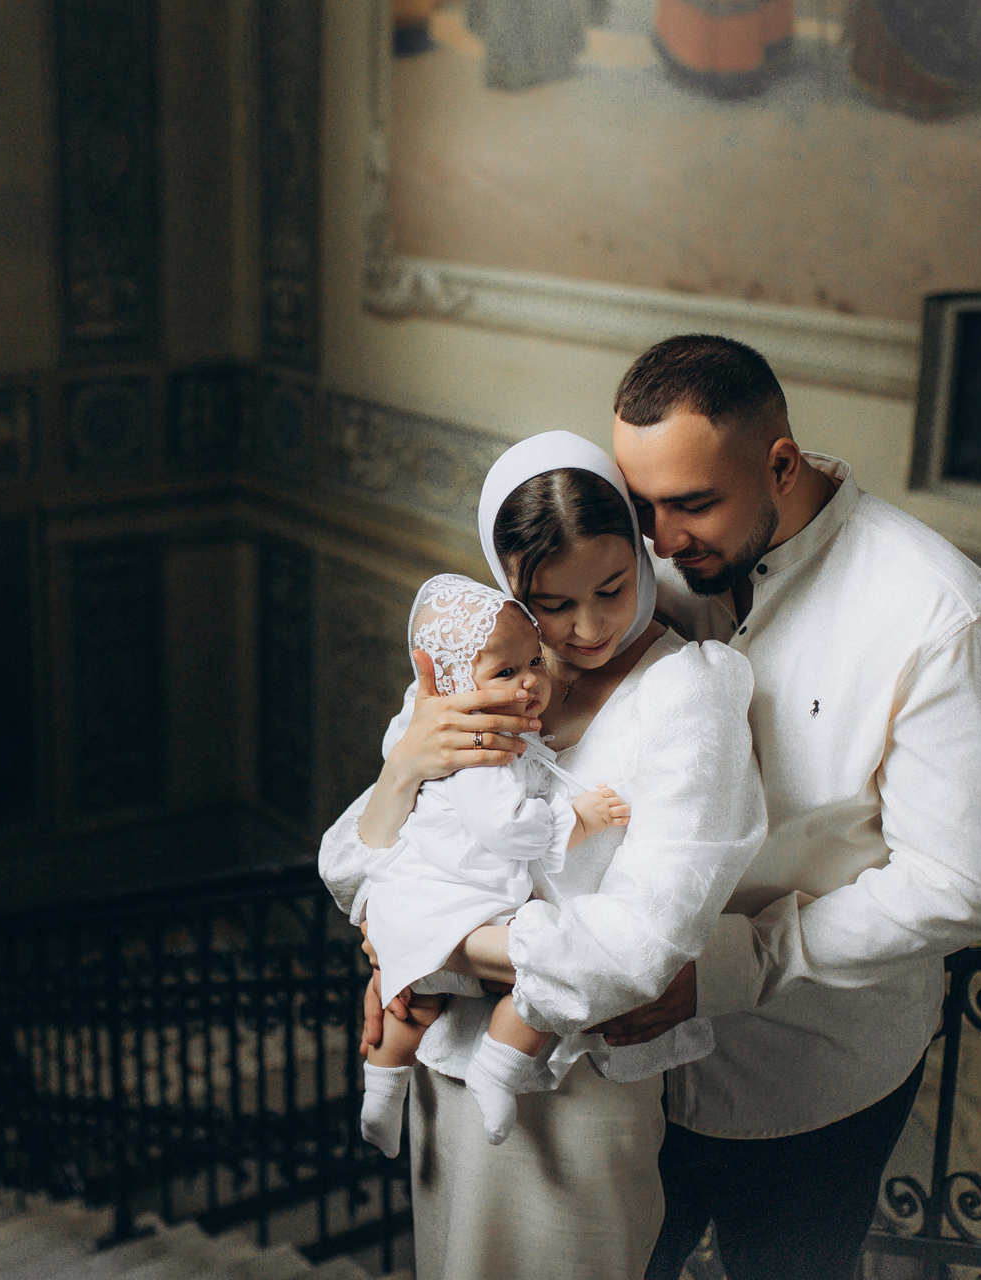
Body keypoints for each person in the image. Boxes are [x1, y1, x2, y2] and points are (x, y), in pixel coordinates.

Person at [591, 335, 981, 1280]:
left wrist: (734, 965)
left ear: (781, 465)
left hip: (815, 1081)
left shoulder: (945, 617)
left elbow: (956, 887)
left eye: (693, 504)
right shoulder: (647, 560)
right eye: (642, 504)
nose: (661, 541)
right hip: (629, 1074)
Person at [321, 431, 767, 1280]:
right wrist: (408, 765)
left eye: (613, 588)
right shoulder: (478, 677)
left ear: (640, 552)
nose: (587, 628)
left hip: (576, 1084)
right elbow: (354, 868)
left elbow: (639, 945)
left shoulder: (687, 693)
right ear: (509, 584)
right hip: (441, 1072)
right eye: (552, 604)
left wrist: (433, 939)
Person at [360, 573, 637, 1157]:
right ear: (455, 686)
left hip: (420, 896)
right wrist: (576, 820)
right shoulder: (481, 753)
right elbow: (505, 828)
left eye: (534, 661)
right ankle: (497, 1069)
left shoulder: (467, 737)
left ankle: (381, 1097)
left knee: (414, 1004)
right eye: (506, 672)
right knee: (547, 973)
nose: (531, 681)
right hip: (458, 899)